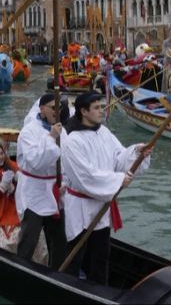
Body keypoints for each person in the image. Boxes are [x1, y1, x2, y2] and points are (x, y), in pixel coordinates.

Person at [61, 92, 151, 284]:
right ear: (84, 111)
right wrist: (118, 180)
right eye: (97, 108)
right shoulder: (72, 139)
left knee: (101, 254)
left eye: (102, 107)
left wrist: (137, 152)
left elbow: (118, 158)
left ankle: (99, 288)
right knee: (77, 254)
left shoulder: (103, 132)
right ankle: (69, 287)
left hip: (101, 206)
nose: (102, 111)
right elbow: (86, 176)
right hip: (81, 207)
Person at [16, 93, 66, 266]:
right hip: (34, 191)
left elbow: (66, 162)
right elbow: (36, 162)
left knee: (59, 239)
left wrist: (65, 183)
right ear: (42, 108)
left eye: (59, 108)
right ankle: (21, 268)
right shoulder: (28, 131)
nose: (57, 111)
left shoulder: (61, 130)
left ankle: (57, 273)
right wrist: (51, 138)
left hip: (54, 190)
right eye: (53, 107)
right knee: (30, 237)